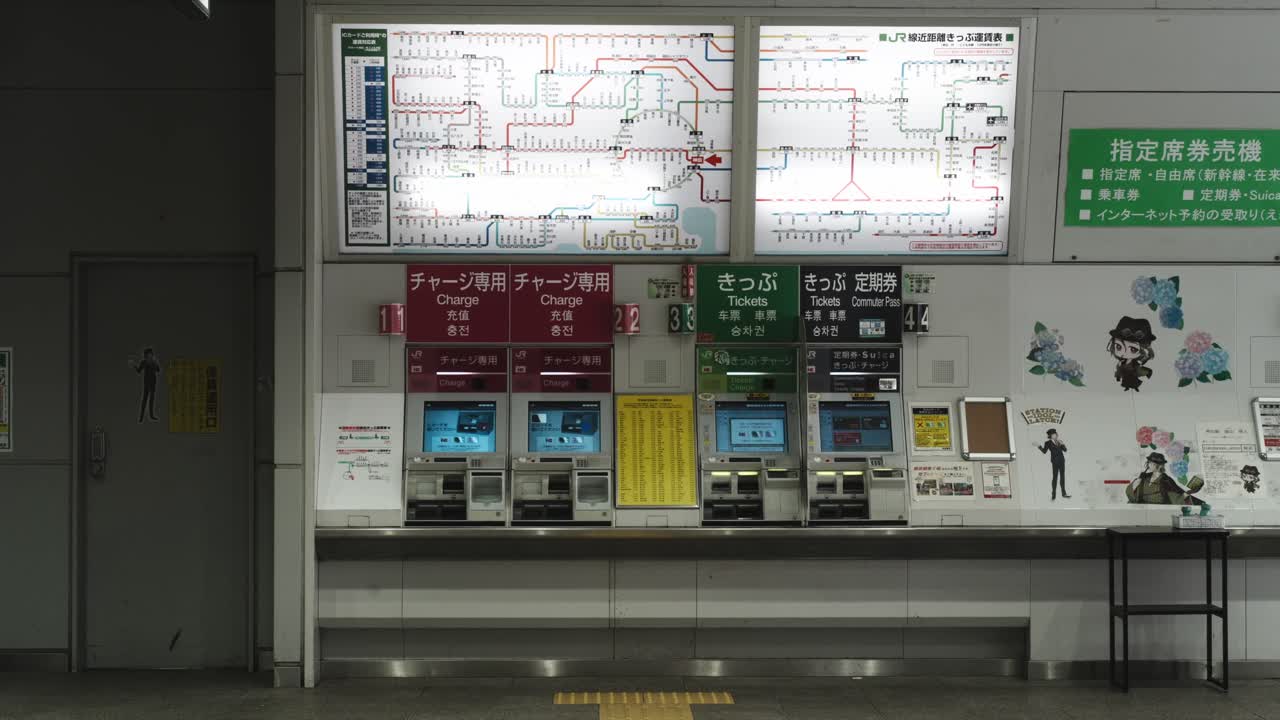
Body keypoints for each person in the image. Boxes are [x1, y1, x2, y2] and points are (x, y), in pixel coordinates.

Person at [1126, 452, 1203, 505]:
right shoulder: (1144, 477)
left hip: (1159, 509)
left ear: (1160, 466)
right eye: (1149, 462)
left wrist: (1189, 492)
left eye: (1152, 463)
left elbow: (1176, 497)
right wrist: (1134, 485)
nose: (1149, 464)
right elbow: (1130, 495)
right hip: (1142, 508)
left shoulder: (1166, 480)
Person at [1107, 317, 1156, 392]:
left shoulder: (1135, 363)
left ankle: (1135, 387)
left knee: (1134, 382)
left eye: (1133, 349)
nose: (1124, 353)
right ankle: (1127, 387)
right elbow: (1119, 369)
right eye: (1119, 347)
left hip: (1133, 374)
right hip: (1126, 375)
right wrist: (1118, 376)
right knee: (1126, 382)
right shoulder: (1122, 363)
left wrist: (1145, 370)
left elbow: (1139, 366)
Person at [131, 347, 161, 423]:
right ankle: (141, 417)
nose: (150, 355)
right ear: (146, 355)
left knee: (151, 399)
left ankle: (151, 415)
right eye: (148, 354)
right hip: (146, 383)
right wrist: (134, 365)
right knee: (144, 400)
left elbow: (158, 370)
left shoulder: (153, 362)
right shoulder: (144, 362)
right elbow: (139, 371)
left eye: (151, 354)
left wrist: (156, 363)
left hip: (153, 383)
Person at [1039, 428, 1069, 500]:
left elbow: (1065, 450)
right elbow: (1044, 451)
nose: (1055, 436)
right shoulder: (1048, 443)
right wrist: (1038, 446)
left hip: (1062, 461)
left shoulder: (1059, 441)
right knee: (1055, 478)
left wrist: (1062, 444)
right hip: (1055, 462)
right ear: (1050, 436)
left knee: (1062, 477)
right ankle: (1053, 494)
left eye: (1055, 434)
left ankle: (1064, 493)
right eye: (1053, 435)